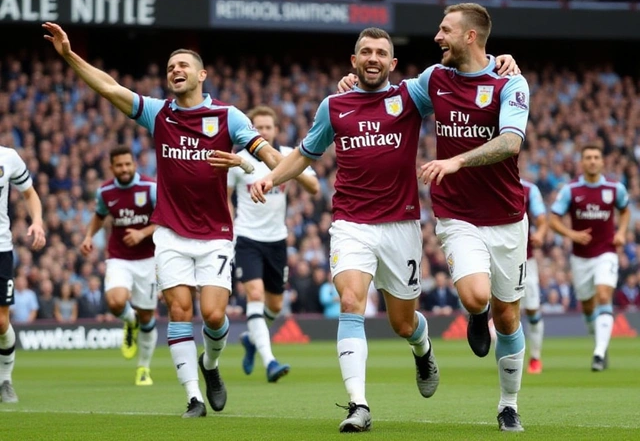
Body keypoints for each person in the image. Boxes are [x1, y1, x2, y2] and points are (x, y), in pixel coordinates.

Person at [251, 25, 516, 433]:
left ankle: (421, 348)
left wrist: (502, 63)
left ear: (392, 63)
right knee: (352, 301)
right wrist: (272, 178)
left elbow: (464, 77)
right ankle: (358, 404)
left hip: (401, 225)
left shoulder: (411, 96)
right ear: (353, 61)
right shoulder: (334, 105)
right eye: (365, 52)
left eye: (380, 52)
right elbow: (305, 154)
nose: (372, 58)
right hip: (350, 223)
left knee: (403, 324)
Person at [44, 22, 286, 418]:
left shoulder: (228, 118)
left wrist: (256, 170)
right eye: (170, 66)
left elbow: (274, 160)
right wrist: (70, 55)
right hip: (171, 232)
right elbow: (109, 88)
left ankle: (210, 366)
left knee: (213, 315)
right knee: (178, 311)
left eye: (183, 65)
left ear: (201, 75)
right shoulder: (158, 114)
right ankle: (193, 397)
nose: (175, 69)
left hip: (215, 235)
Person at [336, 5, 528, 431]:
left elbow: (511, 143)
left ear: (471, 37)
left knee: (509, 317)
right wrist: (354, 86)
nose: (437, 36)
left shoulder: (510, 83)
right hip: (457, 213)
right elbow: (387, 95)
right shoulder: (434, 80)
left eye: (445, 30)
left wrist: (458, 161)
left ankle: (508, 403)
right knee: (477, 297)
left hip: (507, 215)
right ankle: (476, 316)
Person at [227, 105, 319, 383]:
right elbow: (224, 197)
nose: (264, 132)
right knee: (255, 296)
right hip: (246, 238)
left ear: (276, 129)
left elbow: (314, 188)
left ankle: (252, 340)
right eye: (258, 128)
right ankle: (270, 361)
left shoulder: (290, 156)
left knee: (275, 306)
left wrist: (284, 168)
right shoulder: (239, 160)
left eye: (268, 127)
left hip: (276, 240)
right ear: (251, 131)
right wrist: (230, 231)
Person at [80, 145, 158, 386]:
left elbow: (166, 219)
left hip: (148, 259)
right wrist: (88, 236)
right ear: (112, 167)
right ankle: (129, 320)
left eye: (128, 164)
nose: (124, 169)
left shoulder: (150, 187)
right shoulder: (105, 191)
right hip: (119, 257)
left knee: (147, 317)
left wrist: (142, 233)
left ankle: (143, 368)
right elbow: (99, 216)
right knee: (115, 302)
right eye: (119, 165)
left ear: (134, 164)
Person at [549, 144, 630, 372]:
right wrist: (571, 234)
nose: (592, 161)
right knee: (587, 306)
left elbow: (625, 211)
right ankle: (600, 344)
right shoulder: (571, 190)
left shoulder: (615, 188)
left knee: (604, 295)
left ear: (602, 162)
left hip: (606, 252)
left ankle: (598, 353)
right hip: (580, 257)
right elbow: (554, 218)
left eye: (596, 157)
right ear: (582, 162)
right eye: (588, 158)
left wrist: (622, 232)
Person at [0, 144, 46, 403]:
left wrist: (37, 221)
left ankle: (5, 380)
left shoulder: (8, 157)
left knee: (1, 323)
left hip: (1, 248)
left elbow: (29, 193)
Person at [521, 178, 547, 374]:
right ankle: (509, 359)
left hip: (525, 261)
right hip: (495, 259)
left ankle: (535, 357)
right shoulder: (487, 184)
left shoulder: (529, 190)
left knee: (532, 310)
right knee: (503, 311)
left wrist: (540, 232)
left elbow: (541, 218)